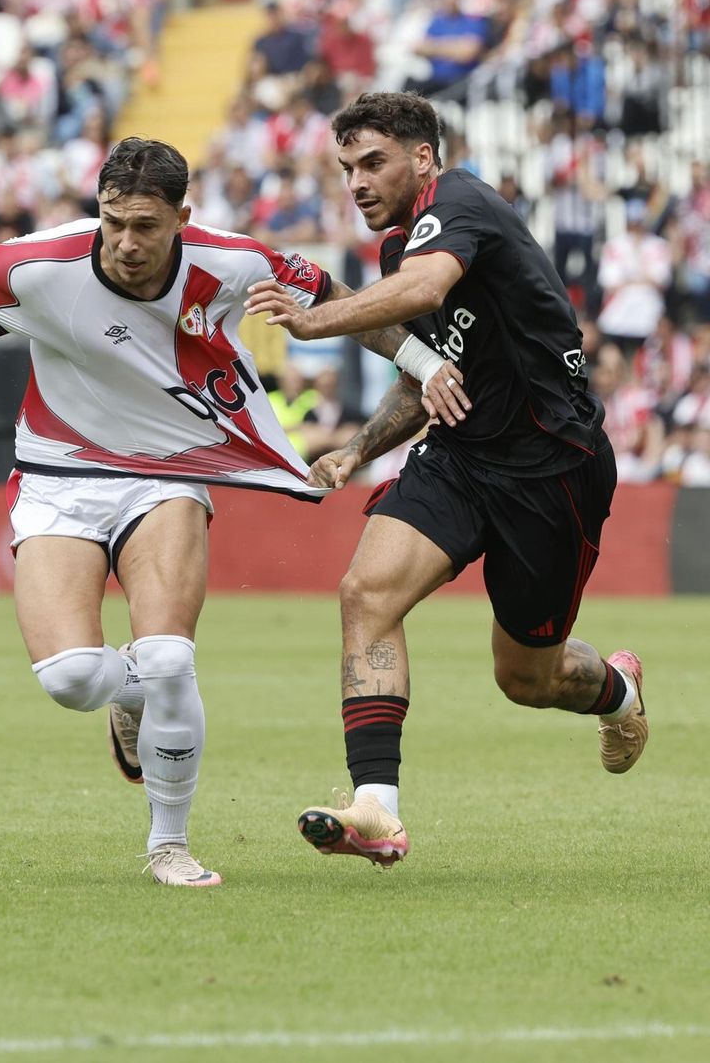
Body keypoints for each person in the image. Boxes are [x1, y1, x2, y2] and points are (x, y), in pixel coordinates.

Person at [0, 138, 444, 888]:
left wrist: (430, 366)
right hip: (60, 475)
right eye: (113, 222)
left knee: (169, 659)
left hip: (167, 475)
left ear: (182, 218)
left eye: (146, 226)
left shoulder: (235, 261)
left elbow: (351, 306)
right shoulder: (35, 265)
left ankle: (169, 845)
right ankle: (129, 695)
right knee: (71, 678)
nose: (127, 243)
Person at [244, 92, 647, 869]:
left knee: (527, 679)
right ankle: (376, 809)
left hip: (551, 471)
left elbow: (426, 291)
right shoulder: (400, 251)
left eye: (373, 163)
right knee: (366, 594)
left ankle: (619, 692)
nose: (357, 183)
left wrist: (315, 318)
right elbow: (427, 379)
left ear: (423, 157)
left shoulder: (460, 204)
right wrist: (357, 450)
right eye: (346, 168)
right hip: (461, 459)